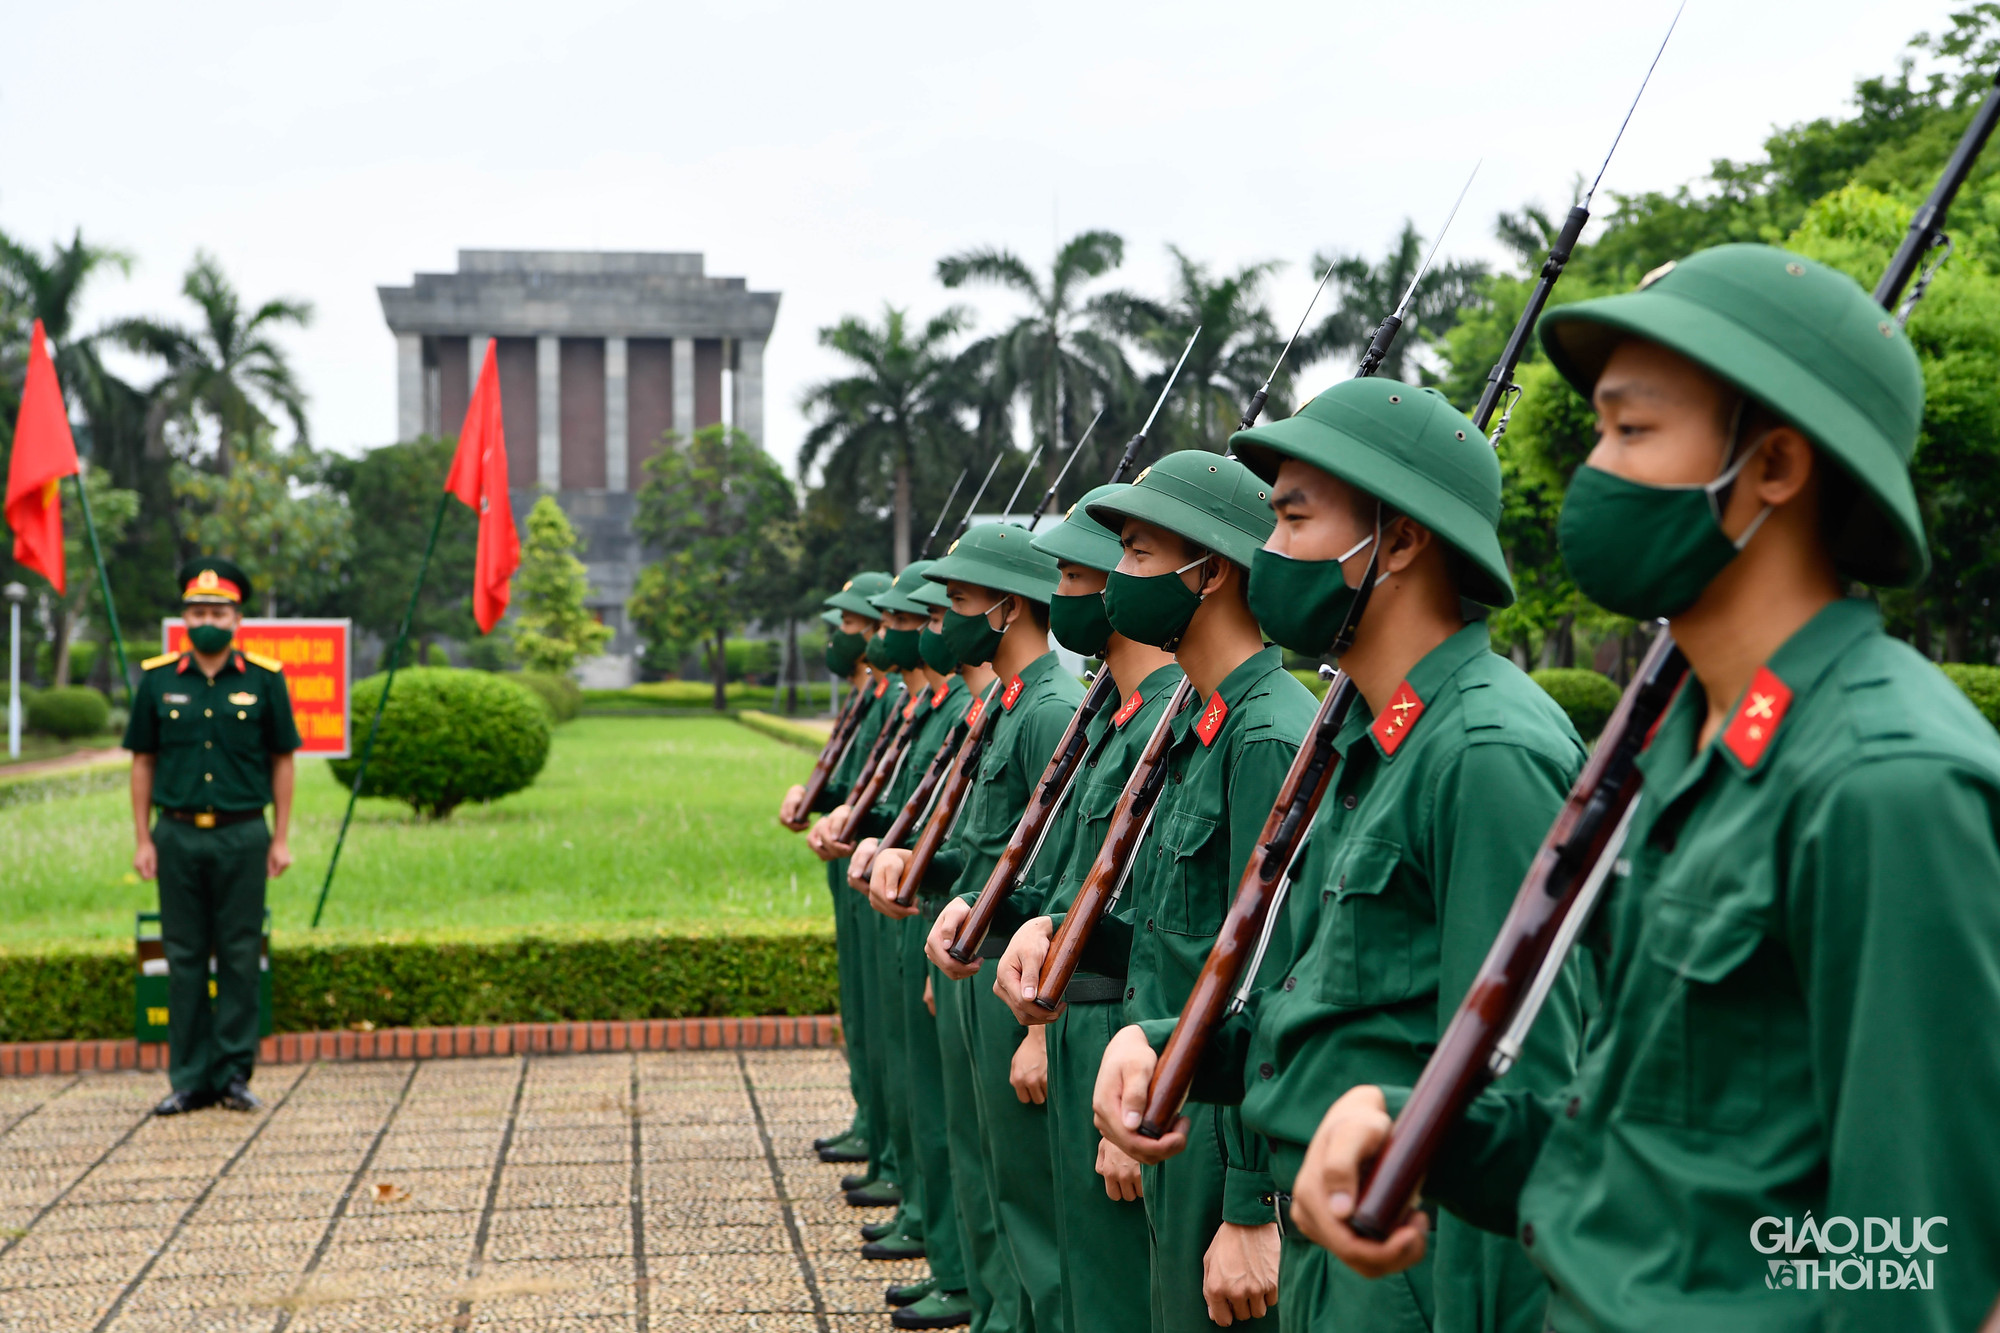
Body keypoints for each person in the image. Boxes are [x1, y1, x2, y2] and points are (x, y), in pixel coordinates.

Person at [1297, 244, 2000, 1331]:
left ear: (1771, 467)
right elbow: (1640, 1147)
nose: (1590, 471)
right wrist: (1413, 1128)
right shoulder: (1683, 753)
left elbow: (1907, 1258)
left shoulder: (1884, 781)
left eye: (1630, 431)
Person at [1090, 378, 1590, 1333]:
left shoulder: (1486, 752)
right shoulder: (1367, 738)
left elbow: (1521, 1089)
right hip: (1338, 1235)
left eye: (1292, 520)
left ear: (1399, 542)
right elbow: (1323, 1014)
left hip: (1420, 1264)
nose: (1265, 552)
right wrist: (1169, 1046)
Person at [996, 452, 1317, 1331]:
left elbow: (1266, 973)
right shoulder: (1200, 723)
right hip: (1165, 1087)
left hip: (1218, 1122)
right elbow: (1162, 932)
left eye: (1135, 555)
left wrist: (1249, 1202)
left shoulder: (1266, 734)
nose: (1113, 584)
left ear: (1209, 571)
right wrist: (1058, 935)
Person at [872, 521, 1083, 1333]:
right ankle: (990, 1303)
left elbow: (1061, 869)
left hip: (1015, 977)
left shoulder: (1047, 710)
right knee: (985, 1159)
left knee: (1028, 1194)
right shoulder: (1014, 704)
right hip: (981, 961)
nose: (941, 621)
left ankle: (1002, 1309)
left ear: (1004, 608)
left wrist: (1037, 1023)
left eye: (957, 602)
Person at [994, 484, 1182, 1333]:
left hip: (1130, 1037)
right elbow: (1067, 877)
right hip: (1087, 1019)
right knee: (1066, 1255)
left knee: (1111, 1289)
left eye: (1084, 574)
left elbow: (1200, 945)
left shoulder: (1199, 728)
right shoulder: (1115, 716)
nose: (1067, 595)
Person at [850, 567, 991, 1330]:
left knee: (987, 1148)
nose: (917, 631)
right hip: (945, 921)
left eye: (941, 612)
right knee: (913, 1079)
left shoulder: (1028, 712)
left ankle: (961, 1266)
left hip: (999, 958)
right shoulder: (960, 706)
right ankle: (936, 1231)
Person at [126, 557, 299, 1116]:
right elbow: (143, 762)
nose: (208, 620)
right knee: (184, 957)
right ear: (184, 618)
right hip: (175, 837)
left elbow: (283, 761)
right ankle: (189, 1080)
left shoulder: (265, 681)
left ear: (237, 619)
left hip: (243, 834)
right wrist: (142, 839)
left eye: (218, 612)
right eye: (198, 611)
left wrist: (281, 838)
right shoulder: (156, 680)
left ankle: (233, 1075)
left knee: (241, 955)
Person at [781, 572, 895, 1170]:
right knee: (862, 1007)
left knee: (888, 1024)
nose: (839, 637)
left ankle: (888, 1145)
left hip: (884, 868)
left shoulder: (891, 699)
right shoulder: (865, 698)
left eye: (850, 625)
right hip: (854, 862)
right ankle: (869, 1122)